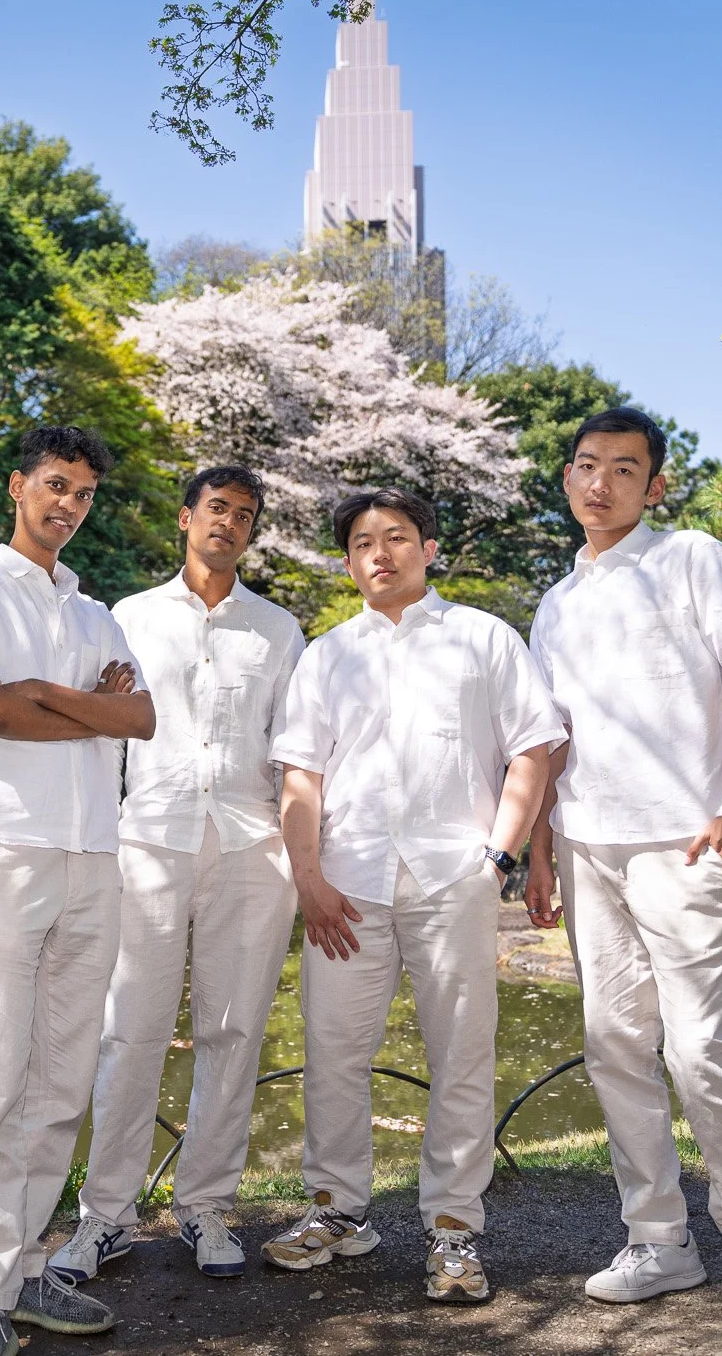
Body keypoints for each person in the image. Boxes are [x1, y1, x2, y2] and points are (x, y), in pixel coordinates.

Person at [524, 408, 722, 1321]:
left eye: (623, 467)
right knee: (614, 1043)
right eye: (584, 465)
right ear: (567, 479)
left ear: (654, 485)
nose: (599, 481)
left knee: (701, 1045)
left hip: (684, 839)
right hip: (585, 844)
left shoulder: (691, 556)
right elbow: (549, 739)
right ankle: (658, 1237)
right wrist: (539, 848)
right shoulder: (556, 600)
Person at [267, 486, 563, 1303]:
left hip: (452, 878)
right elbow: (302, 775)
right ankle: (337, 1209)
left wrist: (498, 859)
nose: (380, 554)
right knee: (333, 1050)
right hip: (348, 885)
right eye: (363, 542)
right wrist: (310, 879)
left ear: (429, 548)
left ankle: (454, 1228)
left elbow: (533, 751)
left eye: (396, 538)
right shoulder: (326, 655)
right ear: (349, 559)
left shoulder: (483, 638)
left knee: (461, 1054)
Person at [0, 425, 157, 1356]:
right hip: (3, 850)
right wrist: (81, 706)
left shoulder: (98, 613)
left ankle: (23, 1269)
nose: (70, 505)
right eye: (56, 485)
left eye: (85, 493)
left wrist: (46, 696)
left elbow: (139, 716)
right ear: (17, 485)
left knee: (61, 1078)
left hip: (95, 852)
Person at [47, 465, 304, 1286]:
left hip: (250, 842)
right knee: (132, 1028)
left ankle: (207, 1203)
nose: (228, 522)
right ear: (187, 517)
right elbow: (97, 726)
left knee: (234, 1028)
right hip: (150, 837)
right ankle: (106, 1216)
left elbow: (295, 750)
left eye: (244, 514)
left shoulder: (278, 629)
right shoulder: (127, 616)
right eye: (216, 508)